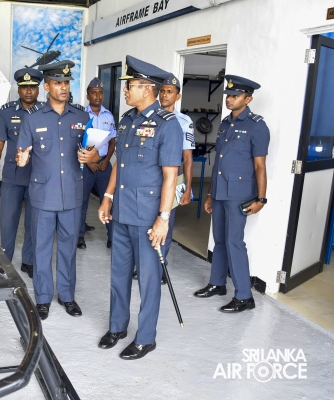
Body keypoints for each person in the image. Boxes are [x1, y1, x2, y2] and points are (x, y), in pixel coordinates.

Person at [97, 56, 182, 360]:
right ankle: (117, 327)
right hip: (121, 212)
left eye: (130, 85)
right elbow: (119, 163)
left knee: (148, 279)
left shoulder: (168, 125)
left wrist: (164, 218)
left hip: (148, 217)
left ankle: (146, 338)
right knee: (119, 275)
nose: (125, 90)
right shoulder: (126, 120)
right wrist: (107, 197)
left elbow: (171, 177)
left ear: (147, 89)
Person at [16, 60, 99, 320]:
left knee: (68, 248)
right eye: (57, 83)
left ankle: (67, 295)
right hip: (43, 196)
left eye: (66, 82)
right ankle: (42, 298)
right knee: (41, 249)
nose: (63, 87)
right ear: (47, 87)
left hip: (72, 195)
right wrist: (22, 159)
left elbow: (93, 153)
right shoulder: (32, 119)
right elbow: (22, 153)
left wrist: (92, 157)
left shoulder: (82, 117)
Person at [194, 75, 269, 313]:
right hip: (219, 191)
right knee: (219, 240)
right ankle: (217, 283)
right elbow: (219, 163)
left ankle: (245, 296)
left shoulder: (257, 126)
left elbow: (260, 166)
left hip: (239, 194)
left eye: (235, 95)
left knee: (234, 242)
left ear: (248, 99)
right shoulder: (225, 124)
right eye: (228, 95)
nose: (229, 99)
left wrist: (261, 198)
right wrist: (209, 194)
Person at [131, 73, 197, 283]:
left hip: (171, 179)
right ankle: (142, 265)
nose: (165, 95)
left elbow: (187, 158)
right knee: (145, 222)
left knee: (165, 221)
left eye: (170, 92)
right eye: (163, 91)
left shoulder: (184, 122)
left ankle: (160, 268)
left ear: (178, 96)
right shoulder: (148, 116)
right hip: (149, 178)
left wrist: (187, 187)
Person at [0, 68, 44, 278]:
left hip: (38, 176)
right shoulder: (6, 111)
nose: (29, 91)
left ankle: (28, 261)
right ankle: (5, 262)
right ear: (18, 89)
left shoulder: (45, 112)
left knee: (34, 222)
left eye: (33, 87)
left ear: (39, 89)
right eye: (24, 87)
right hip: (12, 176)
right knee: (8, 222)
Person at [77, 77, 116, 250]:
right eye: (94, 93)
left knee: (109, 199)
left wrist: (106, 161)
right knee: (81, 201)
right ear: (88, 96)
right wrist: (88, 162)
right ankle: (79, 236)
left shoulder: (109, 116)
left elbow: (112, 141)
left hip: (103, 165)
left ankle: (112, 237)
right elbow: (77, 142)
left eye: (100, 92)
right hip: (85, 166)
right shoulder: (81, 115)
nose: (98, 96)